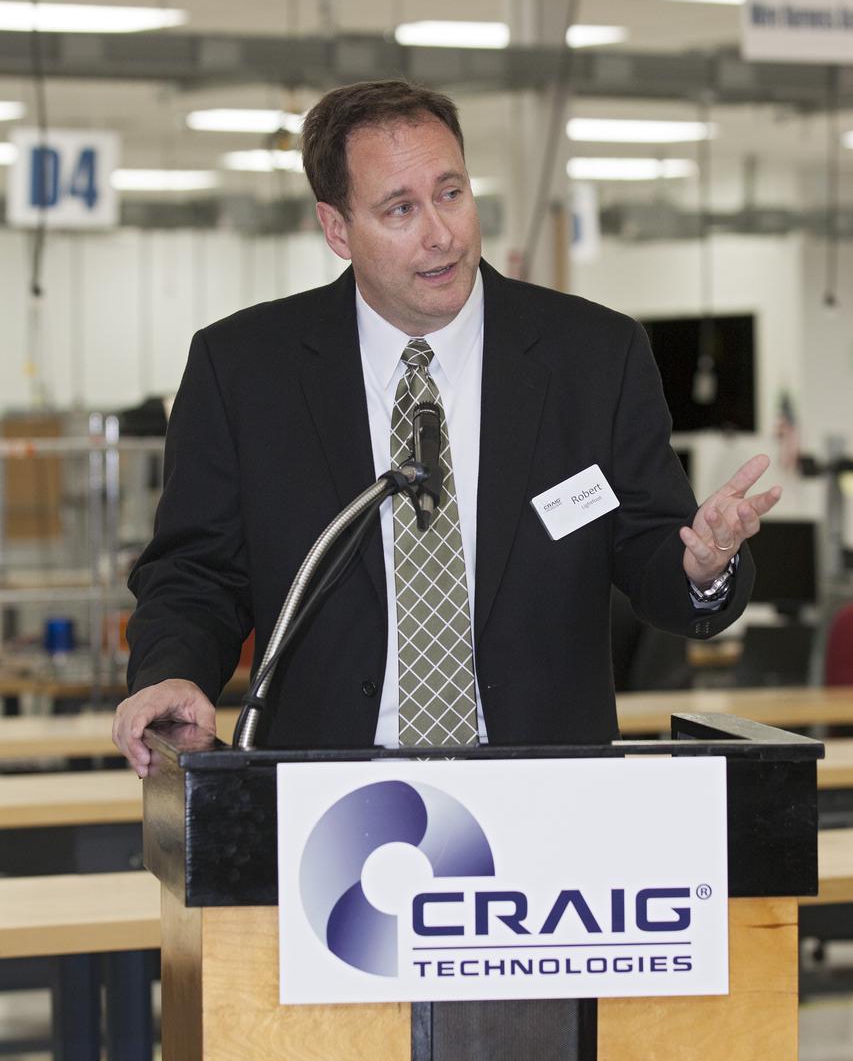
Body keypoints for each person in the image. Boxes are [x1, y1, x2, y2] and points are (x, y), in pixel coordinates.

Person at [112, 79, 781, 774]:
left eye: (451, 193)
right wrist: (171, 670)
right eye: (400, 208)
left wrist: (701, 565)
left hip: (546, 790)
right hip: (327, 796)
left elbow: (649, 547)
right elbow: (195, 571)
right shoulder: (246, 370)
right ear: (337, 229)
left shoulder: (592, 356)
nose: (441, 233)